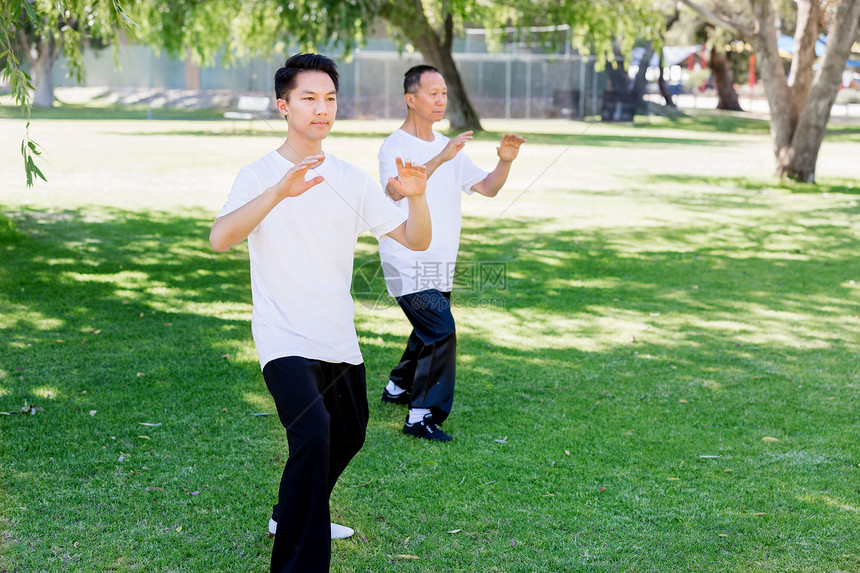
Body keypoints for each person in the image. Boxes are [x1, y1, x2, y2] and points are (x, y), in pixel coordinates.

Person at [210, 53, 431, 573]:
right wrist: (279, 192)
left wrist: (417, 200)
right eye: (308, 98)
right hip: (282, 334)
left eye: (329, 98)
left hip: (335, 334)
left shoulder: (350, 180)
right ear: (283, 106)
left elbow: (415, 239)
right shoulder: (259, 173)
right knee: (312, 436)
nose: (321, 108)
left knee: (349, 433)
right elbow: (221, 238)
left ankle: (290, 510)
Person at [377, 65, 525, 442]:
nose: (441, 99)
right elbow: (395, 192)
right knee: (441, 329)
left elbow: (488, 187)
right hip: (405, 261)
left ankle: (398, 386)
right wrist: (442, 157)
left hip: (440, 264)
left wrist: (505, 160)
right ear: (411, 99)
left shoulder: (450, 146)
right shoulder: (394, 146)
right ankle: (421, 415)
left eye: (444, 92)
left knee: (428, 328)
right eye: (433, 93)